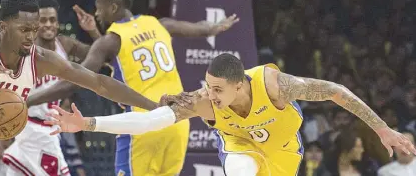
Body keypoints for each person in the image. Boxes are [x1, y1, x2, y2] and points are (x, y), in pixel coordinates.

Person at [47, 53, 416, 176]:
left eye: (218, 89)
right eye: (209, 87)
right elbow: (148, 122)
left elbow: (337, 92)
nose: (211, 94)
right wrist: (88, 123)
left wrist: (383, 130)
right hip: (242, 147)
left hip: (285, 149)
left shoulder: (274, 84)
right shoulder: (206, 100)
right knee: (238, 168)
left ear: (241, 85)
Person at [0, 0, 158, 175]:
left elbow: (99, 83)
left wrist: (153, 106)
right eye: (23, 30)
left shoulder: (41, 58)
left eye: (33, 29)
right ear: (3, 27)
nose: (30, 37)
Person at [26, 0, 239, 175]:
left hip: (143, 124)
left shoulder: (110, 41)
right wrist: (215, 27)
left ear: (113, 7)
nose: (97, 13)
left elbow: (74, 81)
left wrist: (26, 102)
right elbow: (199, 29)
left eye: (99, 7)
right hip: (178, 123)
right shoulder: (158, 23)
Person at [2, 0, 97, 175]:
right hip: (29, 128)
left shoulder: (64, 45)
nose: (48, 25)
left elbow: (101, 57)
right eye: (42, 20)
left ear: (58, 22)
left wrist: (93, 32)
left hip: (50, 129)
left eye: (52, 20)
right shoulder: (22, 51)